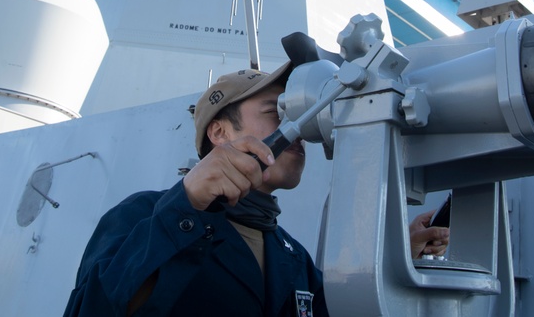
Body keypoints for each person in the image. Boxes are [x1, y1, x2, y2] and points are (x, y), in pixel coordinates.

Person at [62, 64, 449, 317]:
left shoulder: (291, 254)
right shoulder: (144, 215)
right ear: (219, 132)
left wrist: (396, 254)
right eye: (276, 111)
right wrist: (187, 205)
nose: (297, 126)